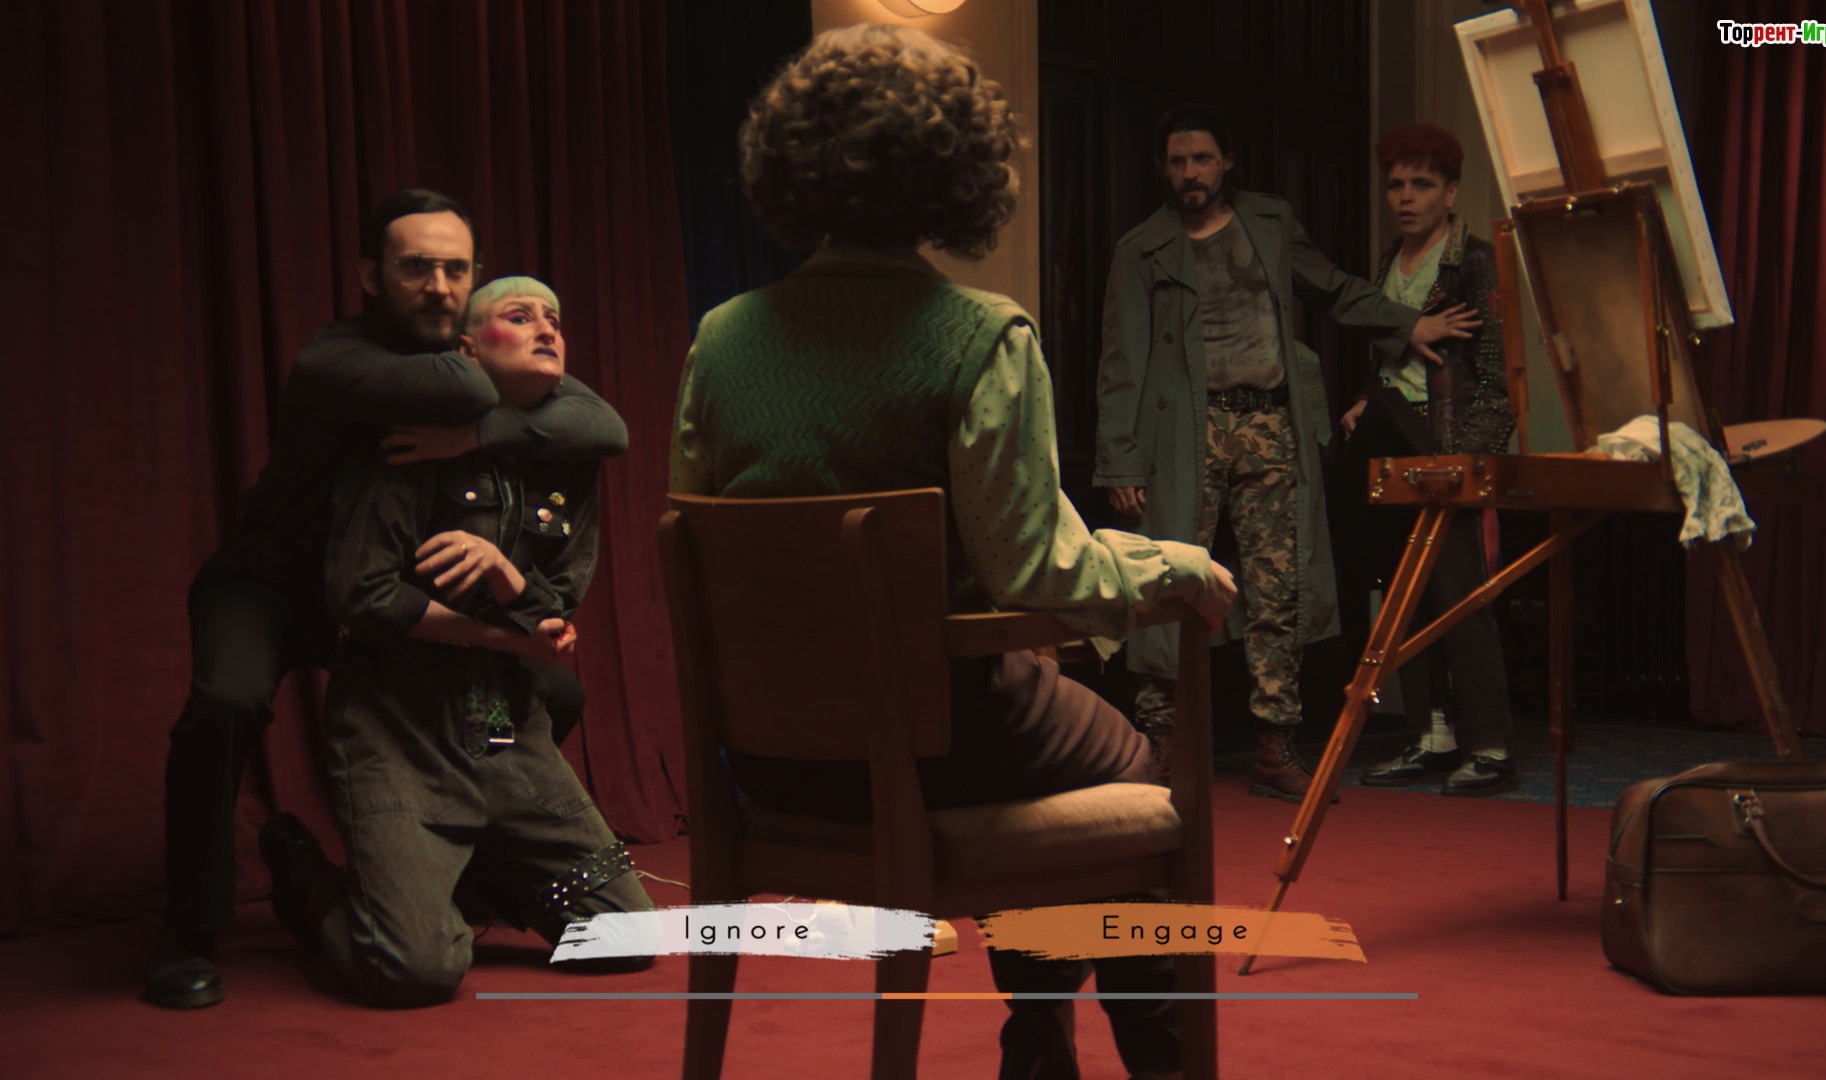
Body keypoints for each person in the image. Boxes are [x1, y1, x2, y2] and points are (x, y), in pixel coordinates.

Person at [670, 24, 1236, 1079]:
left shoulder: (722, 337)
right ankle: (1125, 1060)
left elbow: (704, 549)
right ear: (956, 172)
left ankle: (1042, 1052)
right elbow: (1034, 571)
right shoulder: (981, 335)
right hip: (934, 748)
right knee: (1125, 762)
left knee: (1033, 713)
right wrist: (1176, 567)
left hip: (775, 765)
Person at [145, 190, 628, 1010]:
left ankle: (450, 870)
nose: (438, 285)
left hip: (387, 585)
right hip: (279, 581)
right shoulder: (337, 356)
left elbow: (605, 426)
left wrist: (482, 436)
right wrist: (483, 395)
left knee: (555, 693)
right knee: (227, 702)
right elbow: (475, 387)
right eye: (416, 268)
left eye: (455, 269)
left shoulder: (475, 367)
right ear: (373, 275)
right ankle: (187, 928)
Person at [259, 275, 654, 1006]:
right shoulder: (408, 440)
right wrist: (512, 636)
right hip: (397, 729)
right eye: (519, 316)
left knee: (624, 935)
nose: (547, 329)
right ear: (467, 348)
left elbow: (555, 608)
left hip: (503, 729)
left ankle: (468, 874)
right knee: (412, 970)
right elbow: (364, 595)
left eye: (554, 318)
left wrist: (505, 574)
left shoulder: (571, 458)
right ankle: (311, 886)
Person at [1094, 105, 1480, 800]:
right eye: (1178, 161)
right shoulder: (1142, 248)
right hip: (1184, 432)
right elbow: (1121, 360)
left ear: (1227, 162)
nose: (1190, 173)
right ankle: (1160, 745)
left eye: (1202, 159)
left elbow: (1333, 287)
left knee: (1279, 587)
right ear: (1164, 169)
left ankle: (1276, 745)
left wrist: (1406, 324)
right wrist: (1119, 460)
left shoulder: (1267, 222)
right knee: (1168, 585)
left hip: (1270, 423)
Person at [1340, 123, 1519, 795]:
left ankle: (1491, 747)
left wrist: (1470, 460)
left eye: (1421, 184)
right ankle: (1431, 733)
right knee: (1401, 592)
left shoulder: (1473, 261)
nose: (1405, 197)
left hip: (1446, 441)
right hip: (1390, 437)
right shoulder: (1390, 260)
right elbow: (1391, 352)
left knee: (1460, 594)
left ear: (1450, 191)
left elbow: (1499, 379)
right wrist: (1366, 398)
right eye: (1395, 185)